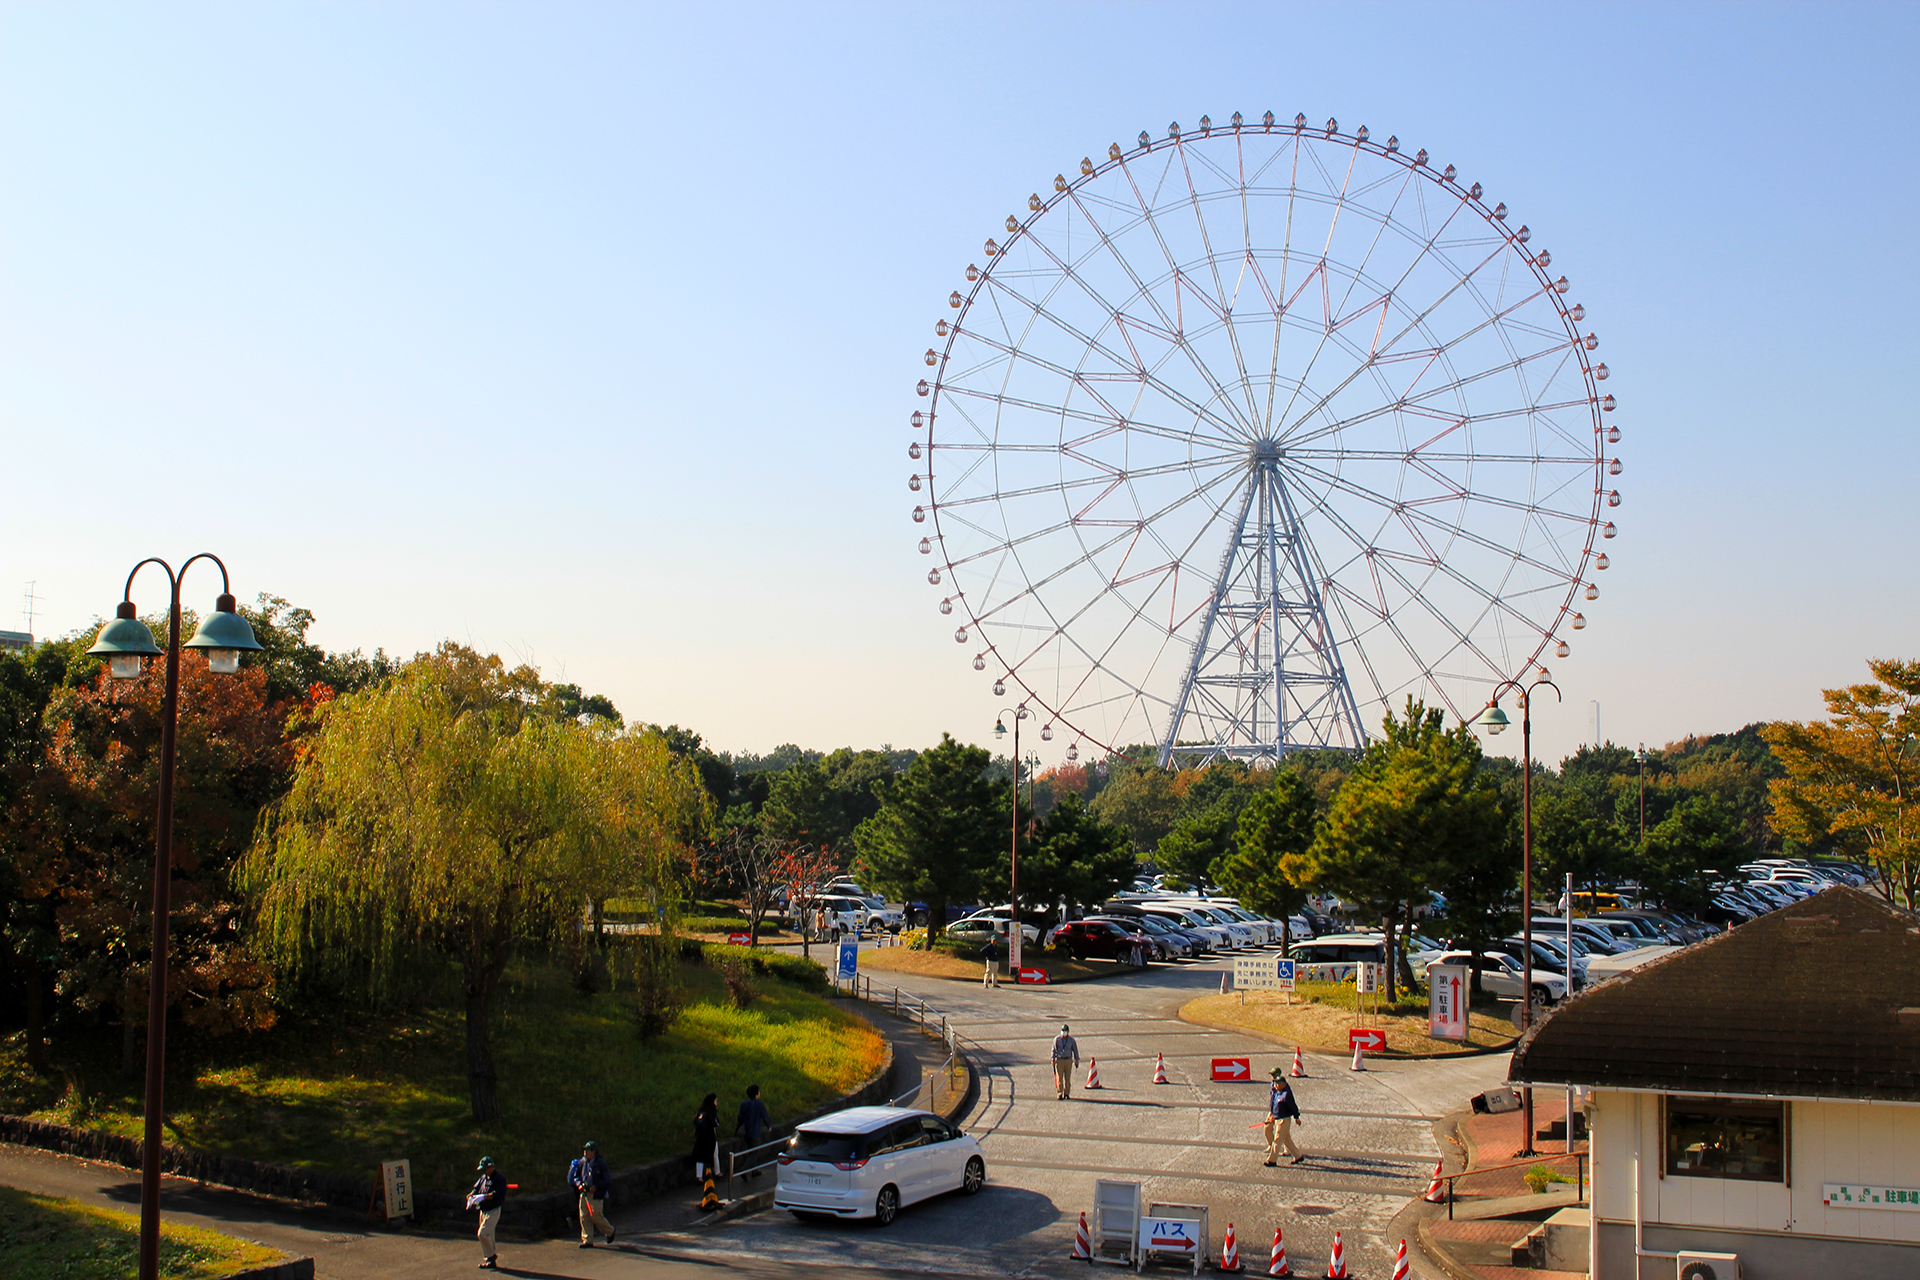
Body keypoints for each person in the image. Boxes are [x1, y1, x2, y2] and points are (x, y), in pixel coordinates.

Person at [569, 1140, 614, 1247]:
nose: (585, 1152)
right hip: (584, 1193)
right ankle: (587, 1239)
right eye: (585, 1150)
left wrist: (597, 1186)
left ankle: (610, 1231)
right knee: (584, 1216)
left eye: (587, 1150)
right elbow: (576, 1176)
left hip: (596, 1194)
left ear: (594, 1151)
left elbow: (607, 1179)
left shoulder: (601, 1163)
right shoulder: (582, 1162)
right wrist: (579, 1184)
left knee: (596, 1215)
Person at [467, 1156, 503, 1269]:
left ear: (491, 1167)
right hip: (483, 1210)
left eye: (484, 1169)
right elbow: (476, 1188)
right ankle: (490, 1259)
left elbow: (497, 1194)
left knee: (482, 1233)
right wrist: (472, 1195)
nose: (483, 1172)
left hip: (493, 1210)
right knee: (489, 1235)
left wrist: (482, 1197)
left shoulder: (499, 1179)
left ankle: (491, 1256)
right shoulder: (483, 1178)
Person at [1263, 1067, 1304, 1165]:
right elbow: (1273, 1104)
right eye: (1275, 1083)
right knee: (1287, 1139)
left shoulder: (1286, 1094)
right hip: (1277, 1118)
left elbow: (1292, 1106)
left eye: (1277, 1083)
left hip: (1284, 1119)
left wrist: (1296, 1117)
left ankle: (1272, 1160)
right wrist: (1272, 1115)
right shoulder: (1277, 1092)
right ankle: (1298, 1156)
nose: (1275, 1085)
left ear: (1283, 1084)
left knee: (1277, 1140)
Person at [736, 1085, 772, 1178]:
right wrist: (769, 1126)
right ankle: (744, 1170)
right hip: (756, 1132)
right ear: (757, 1093)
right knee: (755, 1153)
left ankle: (754, 1170)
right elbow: (765, 1116)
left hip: (746, 1132)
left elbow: (740, 1117)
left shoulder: (744, 1104)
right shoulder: (759, 1104)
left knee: (750, 1151)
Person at [692, 1093, 721, 1183]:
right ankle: (717, 1172)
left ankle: (699, 1176)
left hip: (700, 1136)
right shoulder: (712, 1111)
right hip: (710, 1135)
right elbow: (715, 1123)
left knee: (700, 1156)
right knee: (715, 1153)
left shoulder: (701, 1110)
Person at [1050, 1023, 1081, 1100]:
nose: (1064, 1032)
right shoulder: (1057, 1039)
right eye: (1062, 1031)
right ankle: (1060, 1093)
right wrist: (1053, 1059)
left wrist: (1077, 1060)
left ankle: (1066, 1093)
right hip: (1059, 1060)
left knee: (1067, 1078)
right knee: (1059, 1078)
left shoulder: (1071, 1040)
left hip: (1068, 1060)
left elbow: (1075, 1050)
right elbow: (1053, 1050)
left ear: (1068, 1032)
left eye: (1065, 1031)